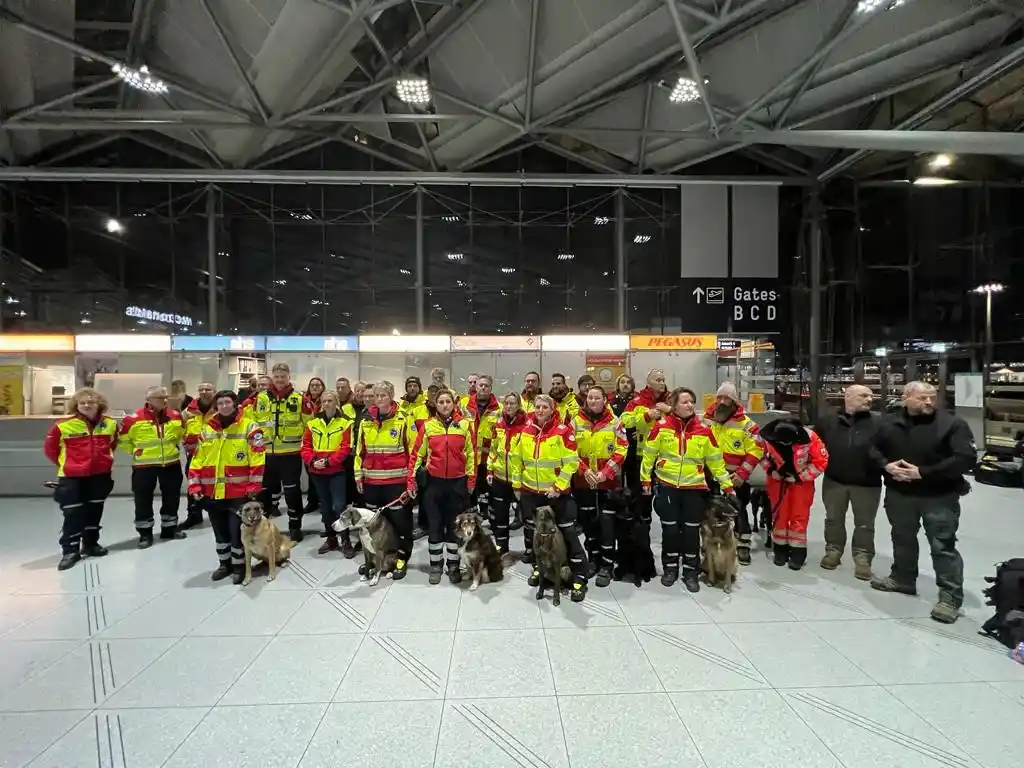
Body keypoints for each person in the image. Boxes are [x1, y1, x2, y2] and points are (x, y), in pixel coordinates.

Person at [868, 381, 976, 624]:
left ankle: (949, 598)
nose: (929, 402)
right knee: (902, 537)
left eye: (932, 398)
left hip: (938, 496)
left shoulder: (952, 424)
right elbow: (873, 449)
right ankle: (903, 579)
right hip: (900, 493)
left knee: (942, 545)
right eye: (922, 398)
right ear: (906, 398)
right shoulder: (889, 423)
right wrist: (886, 465)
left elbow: (965, 458)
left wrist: (923, 473)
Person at [642, 387, 734, 591]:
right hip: (667, 488)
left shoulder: (704, 430)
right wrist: (645, 481)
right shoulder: (661, 427)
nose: (690, 405)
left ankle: (690, 572)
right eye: (684, 402)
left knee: (691, 533)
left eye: (692, 401)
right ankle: (670, 569)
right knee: (671, 531)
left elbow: (716, 462)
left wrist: (728, 486)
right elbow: (648, 456)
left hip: (694, 489)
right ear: (673, 406)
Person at [512, 394, 588, 602]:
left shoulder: (563, 432)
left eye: (545, 407)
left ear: (553, 410)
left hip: (556, 495)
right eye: (537, 406)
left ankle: (579, 576)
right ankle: (540, 568)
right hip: (530, 493)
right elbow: (516, 459)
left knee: (568, 533)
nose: (540, 410)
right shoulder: (525, 431)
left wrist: (558, 486)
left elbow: (571, 463)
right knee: (535, 534)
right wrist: (517, 485)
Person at [187, 390, 266, 584]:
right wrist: (194, 486)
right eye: (220, 403)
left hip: (239, 492)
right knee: (219, 531)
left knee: (236, 531)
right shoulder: (207, 429)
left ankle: (239, 566)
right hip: (211, 491)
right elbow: (197, 460)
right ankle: (224, 564)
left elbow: (258, 458)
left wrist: (254, 485)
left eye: (227, 402)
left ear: (235, 404)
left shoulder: (250, 427)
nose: (223, 406)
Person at [43, 388, 118, 571]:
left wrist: (104, 461)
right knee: (73, 514)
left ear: (99, 404)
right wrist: (68, 464)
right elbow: (51, 450)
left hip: (100, 475)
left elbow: (112, 444)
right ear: (76, 405)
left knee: (95, 510)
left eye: (91, 402)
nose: (86, 405)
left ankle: (91, 544)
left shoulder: (110, 424)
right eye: (82, 402)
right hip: (72, 476)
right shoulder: (63, 425)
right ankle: (70, 551)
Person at [816, 384, 883, 580]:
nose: (869, 400)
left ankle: (862, 557)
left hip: (867, 483)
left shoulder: (880, 423)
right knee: (833, 519)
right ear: (848, 397)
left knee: (864, 524)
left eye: (871, 396)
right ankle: (833, 550)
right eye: (863, 396)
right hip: (835, 480)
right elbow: (814, 445)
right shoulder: (828, 421)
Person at [408, 389, 476, 584]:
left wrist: (471, 480)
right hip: (434, 485)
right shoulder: (428, 427)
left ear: (453, 404)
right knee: (435, 526)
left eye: (448, 401)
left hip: (457, 484)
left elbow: (471, 454)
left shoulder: (464, 425)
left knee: (454, 528)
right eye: (441, 402)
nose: (445, 405)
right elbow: (416, 455)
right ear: (435, 405)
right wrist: (410, 480)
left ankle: (453, 566)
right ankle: (436, 565)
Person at [354, 381, 413, 580]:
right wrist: (358, 474)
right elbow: (359, 451)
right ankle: (373, 561)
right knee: (373, 526)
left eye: (383, 395)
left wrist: (411, 481)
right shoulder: (366, 421)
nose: (379, 399)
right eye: (376, 395)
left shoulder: (403, 419)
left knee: (400, 525)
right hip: (372, 482)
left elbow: (413, 452)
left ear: (391, 395)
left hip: (396, 482)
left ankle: (401, 559)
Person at [571, 385, 628, 587]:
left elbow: (622, 449)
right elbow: (568, 450)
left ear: (605, 400)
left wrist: (605, 473)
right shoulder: (576, 422)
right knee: (588, 524)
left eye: (597, 398)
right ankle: (593, 559)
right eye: (590, 398)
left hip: (608, 484)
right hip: (583, 482)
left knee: (607, 525)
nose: (593, 401)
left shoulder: (615, 422)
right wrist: (584, 470)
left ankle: (607, 565)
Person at [118, 385, 187, 549]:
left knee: (172, 497)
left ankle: (169, 528)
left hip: (171, 463)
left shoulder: (175, 416)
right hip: (144, 466)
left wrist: (173, 448)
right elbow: (124, 441)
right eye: (159, 397)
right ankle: (145, 533)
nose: (164, 400)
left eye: (165, 397)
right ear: (148, 400)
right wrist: (138, 452)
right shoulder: (133, 419)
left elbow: (181, 434)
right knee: (142, 499)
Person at [250, 363, 312, 542]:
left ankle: (295, 527)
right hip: (266, 454)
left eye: (283, 376)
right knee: (265, 493)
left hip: (290, 455)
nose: (279, 380)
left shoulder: (299, 399)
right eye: (276, 376)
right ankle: (263, 528)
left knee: (292, 493)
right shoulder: (260, 398)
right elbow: (252, 425)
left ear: (288, 377)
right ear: (272, 377)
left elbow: (309, 425)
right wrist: (256, 448)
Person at [703, 382, 764, 565]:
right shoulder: (708, 420)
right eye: (719, 397)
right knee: (710, 510)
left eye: (726, 398)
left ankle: (743, 544)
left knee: (738, 510)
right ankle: (711, 543)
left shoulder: (747, 425)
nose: (721, 401)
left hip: (735, 477)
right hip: (711, 475)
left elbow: (758, 449)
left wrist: (742, 474)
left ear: (734, 401)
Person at [760, 418, 829, 570]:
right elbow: (758, 455)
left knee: (799, 516)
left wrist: (799, 477)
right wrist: (771, 471)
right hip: (777, 481)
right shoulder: (765, 437)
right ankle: (780, 549)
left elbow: (821, 461)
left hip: (801, 483)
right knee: (779, 515)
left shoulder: (810, 438)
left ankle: (798, 552)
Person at [301, 390, 354, 556]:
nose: (326, 404)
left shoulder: (345, 423)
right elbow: (305, 446)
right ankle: (331, 538)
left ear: (336, 402)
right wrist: (312, 461)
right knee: (325, 507)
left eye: (330, 400)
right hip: (317, 472)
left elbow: (345, 447)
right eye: (324, 401)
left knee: (339, 506)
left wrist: (329, 461)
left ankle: (345, 540)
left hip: (336, 471)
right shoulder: (313, 423)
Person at [623, 368, 670, 522]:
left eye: (663, 380)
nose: (662, 383)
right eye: (658, 380)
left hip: (668, 458)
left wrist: (669, 410)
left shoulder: (671, 400)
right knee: (642, 498)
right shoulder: (636, 402)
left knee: (668, 499)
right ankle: (642, 530)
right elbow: (625, 422)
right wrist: (646, 416)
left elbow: (684, 419)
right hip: (641, 457)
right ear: (648, 383)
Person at [486, 392, 528, 555]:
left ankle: (530, 550)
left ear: (519, 405)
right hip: (500, 477)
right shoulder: (499, 424)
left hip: (522, 479)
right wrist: (490, 469)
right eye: (507, 403)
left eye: (512, 403)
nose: (509, 406)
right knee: (500, 516)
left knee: (527, 517)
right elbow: (493, 449)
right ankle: (501, 546)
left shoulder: (527, 425)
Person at [181, 381, 217, 530]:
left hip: (216, 455)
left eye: (208, 389)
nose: (204, 392)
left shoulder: (220, 409)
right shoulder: (188, 411)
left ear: (214, 391)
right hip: (195, 455)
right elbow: (180, 429)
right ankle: (194, 515)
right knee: (193, 484)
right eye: (201, 389)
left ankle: (218, 513)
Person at [465, 374, 499, 524]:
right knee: (470, 492)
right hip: (469, 457)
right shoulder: (464, 405)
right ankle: (473, 521)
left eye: (486, 385)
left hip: (488, 459)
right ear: (475, 387)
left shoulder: (499, 409)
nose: (483, 387)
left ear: (491, 388)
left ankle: (489, 518)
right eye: (480, 385)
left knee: (487, 492)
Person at [302, 377, 328, 514]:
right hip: (307, 440)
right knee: (311, 473)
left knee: (320, 474)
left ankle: (322, 501)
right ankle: (312, 501)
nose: (315, 387)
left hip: (323, 441)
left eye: (318, 385)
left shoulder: (326, 401)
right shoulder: (303, 401)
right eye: (312, 385)